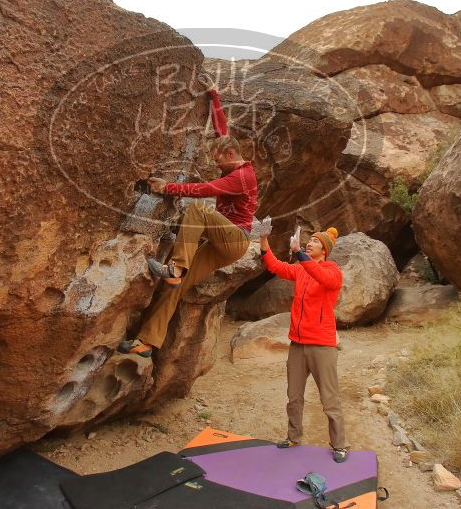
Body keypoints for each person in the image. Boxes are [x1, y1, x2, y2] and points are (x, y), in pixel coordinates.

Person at [118, 74, 258, 358]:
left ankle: (176, 267)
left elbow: (205, 189)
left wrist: (168, 187)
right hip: (220, 241)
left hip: (235, 240)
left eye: (218, 159)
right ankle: (147, 342)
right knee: (175, 286)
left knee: (198, 208)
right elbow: (222, 131)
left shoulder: (242, 176)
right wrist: (214, 95)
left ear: (230, 154)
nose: (215, 163)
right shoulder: (232, 161)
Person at [259, 223, 349, 463]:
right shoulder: (301, 270)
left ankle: (339, 445)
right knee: (294, 396)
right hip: (298, 344)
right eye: (309, 241)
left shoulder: (332, 271)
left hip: (322, 346)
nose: (311, 243)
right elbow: (276, 266)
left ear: (325, 250)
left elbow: (319, 276)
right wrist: (263, 240)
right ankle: (294, 436)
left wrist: (300, 253)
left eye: (315, 242)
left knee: (329, 399)